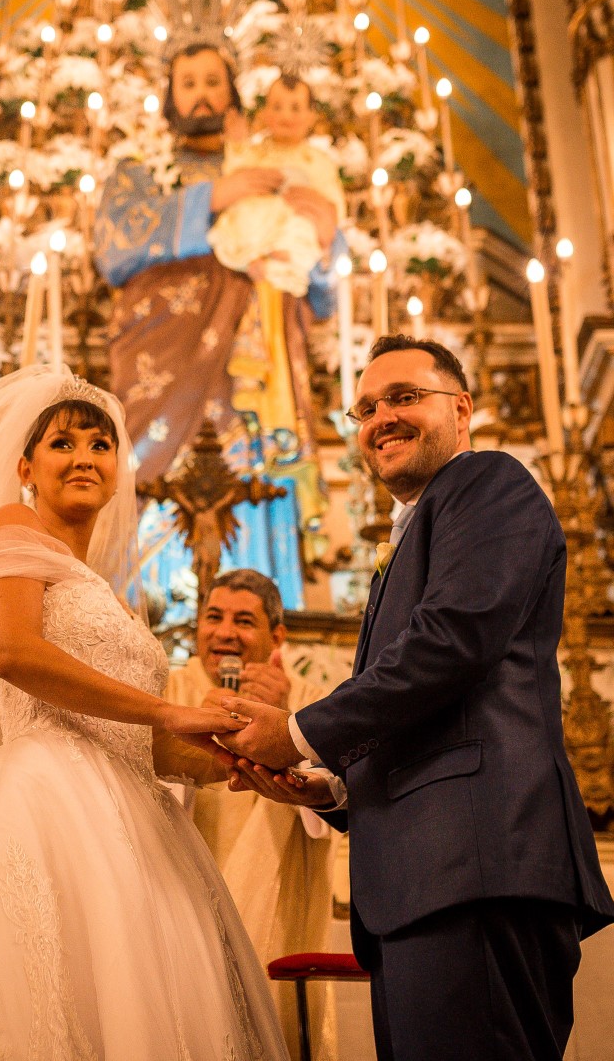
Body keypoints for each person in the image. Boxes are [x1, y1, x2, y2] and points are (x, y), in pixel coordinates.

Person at [0, 365, 290, 1061]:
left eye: (100, 444)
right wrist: (167, 711)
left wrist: (241, 755)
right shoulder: (11, 527)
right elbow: (12, 651)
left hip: (133, 814)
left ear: (117, 469)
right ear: (25, 466)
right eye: (63, 443)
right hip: (45, 803)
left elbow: (141, 740)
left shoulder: (104, 589)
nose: (85, 456)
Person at [215, 334, 614, 1061]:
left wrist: (300, 731)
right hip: (422, 882)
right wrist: (328, 789)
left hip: (476, 867)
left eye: (403, 397)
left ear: (461, 410)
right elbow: (421, 716)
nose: (380, 418)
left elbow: (450, 642)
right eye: (365, 407)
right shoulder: (410, 537)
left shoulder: (490, 483)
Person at [95, 41, 345, 484]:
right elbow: (112, 247)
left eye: (213, 81)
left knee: (257, 475)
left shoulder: (277, 163)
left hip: (259, 346)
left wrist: (328, 239)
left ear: (233, 93)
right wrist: (211, 198)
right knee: (149, 476)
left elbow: (325, 294)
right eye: (188, 83)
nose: (201, 94)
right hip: (165, 349)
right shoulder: (142, 167)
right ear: (170, 96)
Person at [165, 569, 341, 1061]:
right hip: (183, 889)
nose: (224, 633)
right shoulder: (169, 693)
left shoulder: (311, 699)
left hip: (277, 892)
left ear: (277, 636)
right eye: (213, 617)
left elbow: (336, 805)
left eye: (244, 621)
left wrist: (287, 726)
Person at [208, 73, 346, 299]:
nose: (286, 115)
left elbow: (333, 205)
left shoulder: (318, 161)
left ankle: (279, 264)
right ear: (264, 114)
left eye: (295, 108)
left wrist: (326, 213)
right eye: (278, 107)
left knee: (302, 229)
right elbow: (236, 170)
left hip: (295, 218)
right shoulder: (259, 152)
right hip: (258, 219)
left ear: (312, 116)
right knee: (243, 217)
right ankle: (250, 257)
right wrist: (237, 144)